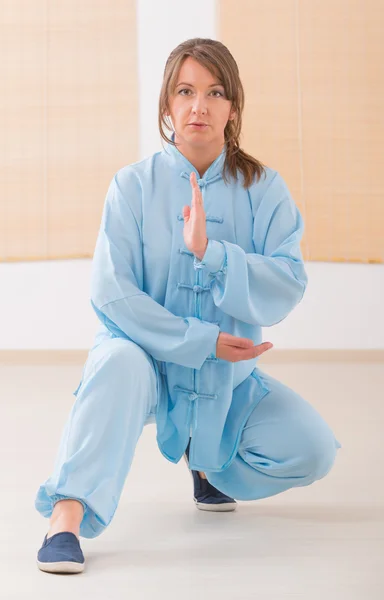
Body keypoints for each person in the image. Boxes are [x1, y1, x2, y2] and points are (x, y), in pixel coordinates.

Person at [35, 38, 342, 574]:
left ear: (233, 107)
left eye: (214, 92)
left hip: (228, 378)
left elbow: (290, 279)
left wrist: (215, 255)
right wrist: (199, 341)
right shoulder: (131, 187)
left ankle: (209, 468)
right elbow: (112, 292)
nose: (199, 105)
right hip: (146, 365)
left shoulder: (264, 189)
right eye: (185, 91)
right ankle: (67, 515)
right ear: (167, 105)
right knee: (116, 360)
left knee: (314, 450)